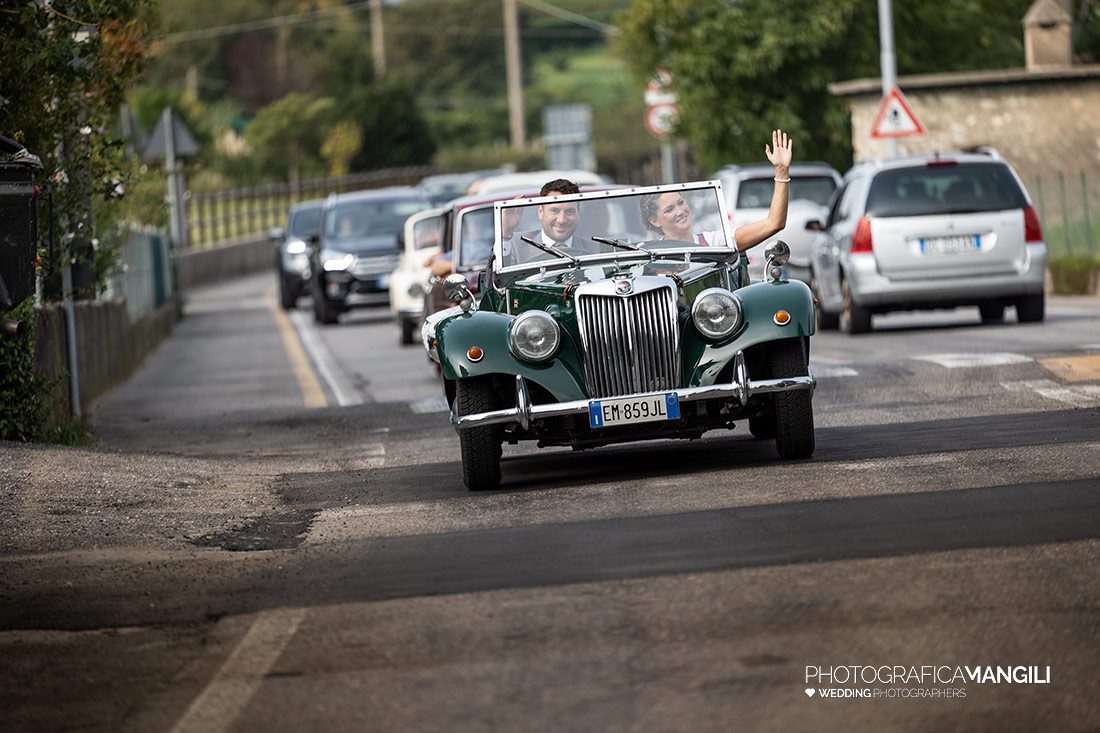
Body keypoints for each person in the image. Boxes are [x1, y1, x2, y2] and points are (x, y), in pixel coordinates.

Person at [640, 129, 794, 251]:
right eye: (669, 209)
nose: (680, 211)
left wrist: (781, 171)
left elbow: (774, 224)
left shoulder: (714, 242)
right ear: (655, 221)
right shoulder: (648, 253)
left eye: (681, 203)